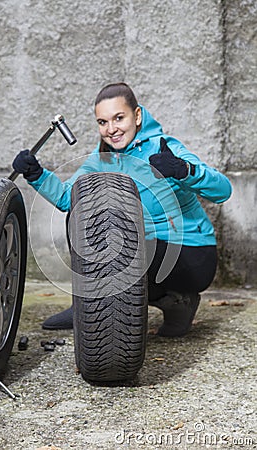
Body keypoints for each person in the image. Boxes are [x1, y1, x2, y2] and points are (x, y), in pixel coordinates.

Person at [12, 82, 232, 337]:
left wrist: (184, 170)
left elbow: (223, 190)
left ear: (136, 116)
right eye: (103, 122)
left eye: (119, 118)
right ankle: (86, 303)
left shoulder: (164, 147)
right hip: (139, 250)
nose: (111, 129)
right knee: (80, 212)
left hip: (190, 255)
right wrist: (36, 174)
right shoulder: (101, 159)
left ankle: (179, 301)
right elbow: (66, 198)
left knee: (124, 248)